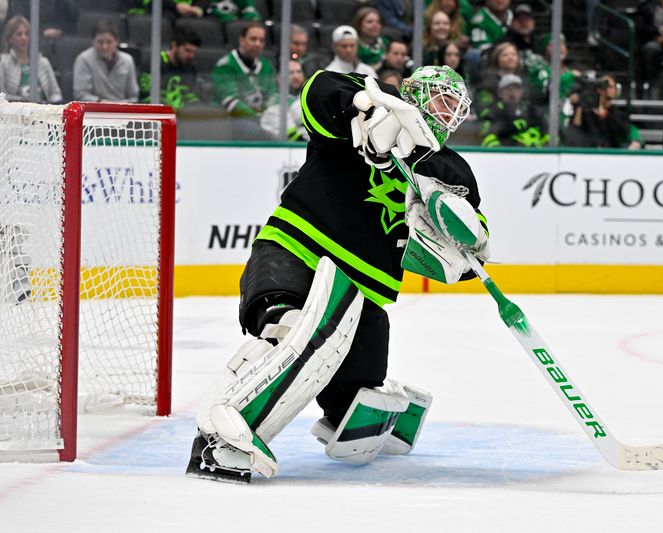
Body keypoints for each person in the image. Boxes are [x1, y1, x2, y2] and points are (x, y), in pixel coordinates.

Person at [185, 65, 487, 483]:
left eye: (455, 105)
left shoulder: (450, 172)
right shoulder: (373, 107)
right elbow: (319, 88)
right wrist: (362, 108)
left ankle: (353, 416)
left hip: (360, 295)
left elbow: (469, 251)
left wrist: (463, 240)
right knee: (289, 330)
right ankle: (221, 435)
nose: (448, 111)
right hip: (296, 250)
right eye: (441, 99)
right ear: (415, 93)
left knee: (357, 381)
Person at [212, 22, 276, 140]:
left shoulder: (267, 66)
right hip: (232, 120)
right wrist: (258, 118)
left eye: (261, 40)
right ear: (242, 40)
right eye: (253, 39)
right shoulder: (225, 66)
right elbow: (231, 102)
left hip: (261, 119)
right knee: (260, 133)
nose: (258, 44)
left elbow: (272, 97)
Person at [565, 74, 644, 149]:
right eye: (602, 86)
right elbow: (575, 128)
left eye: (609, 86)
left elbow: (628, 131)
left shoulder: (617, 113)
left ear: (615, 91)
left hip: (610, 155)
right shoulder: (586, 110)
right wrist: (580, 102)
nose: (606, 89)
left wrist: (635, 143)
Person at [73, 20, 139, 103]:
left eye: (109, 42)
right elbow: (80, 94)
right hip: (93, 111)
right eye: (100, 42)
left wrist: (120, 105)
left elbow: (133, 96)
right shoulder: (83, 59)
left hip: (121, 110)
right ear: (93, 41)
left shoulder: (127, 60)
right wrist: (102, 103)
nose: (104, 46)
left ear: (116, 41)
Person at [0, 15, 61, 103]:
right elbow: (1, 95)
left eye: (27, 34)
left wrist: (53, 107)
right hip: (16, 111)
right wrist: (23, 101)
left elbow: (55, 93)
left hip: (44, 111)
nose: (24, 37)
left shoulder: (43, 62)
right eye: (19, 34)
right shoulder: (3, 62)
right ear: (10, 39)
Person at [140, 26, 202, 110]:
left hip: (185, 118)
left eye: (194, 52)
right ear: (174, 45)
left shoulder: (191, 68)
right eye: (187, 50)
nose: (191, 56)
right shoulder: (154, 64)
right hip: (159, 116)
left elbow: (193, 97)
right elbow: (146, 97)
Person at [479, 73, 548, 147]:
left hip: (535, 155)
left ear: (522, 91)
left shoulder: (533, 111)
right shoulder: (491, 114)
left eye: (516, 88)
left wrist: (537, 146)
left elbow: (548, 135)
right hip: (504, 155)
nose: (512, 92)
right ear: (499, 93)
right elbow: (487, 138)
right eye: (507, 88)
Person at [259, 59, 307, 141]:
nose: (296, 76)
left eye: (299, 72)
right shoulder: (273, 105)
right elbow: (294, 139)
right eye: (290, 73)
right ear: (278, 77)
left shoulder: (307, 97)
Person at [638, 0, 663, 98]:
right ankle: (652, 84)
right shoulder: (647, 6)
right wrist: (659, 32)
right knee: (651, 49)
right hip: (653, 39)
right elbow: (642, 28)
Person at [500, 3, 540, 71]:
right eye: (519, 20)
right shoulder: (504, 42)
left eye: (526, 19)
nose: (523, 23)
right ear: (512, 23)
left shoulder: (539, 42)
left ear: (533, 22)